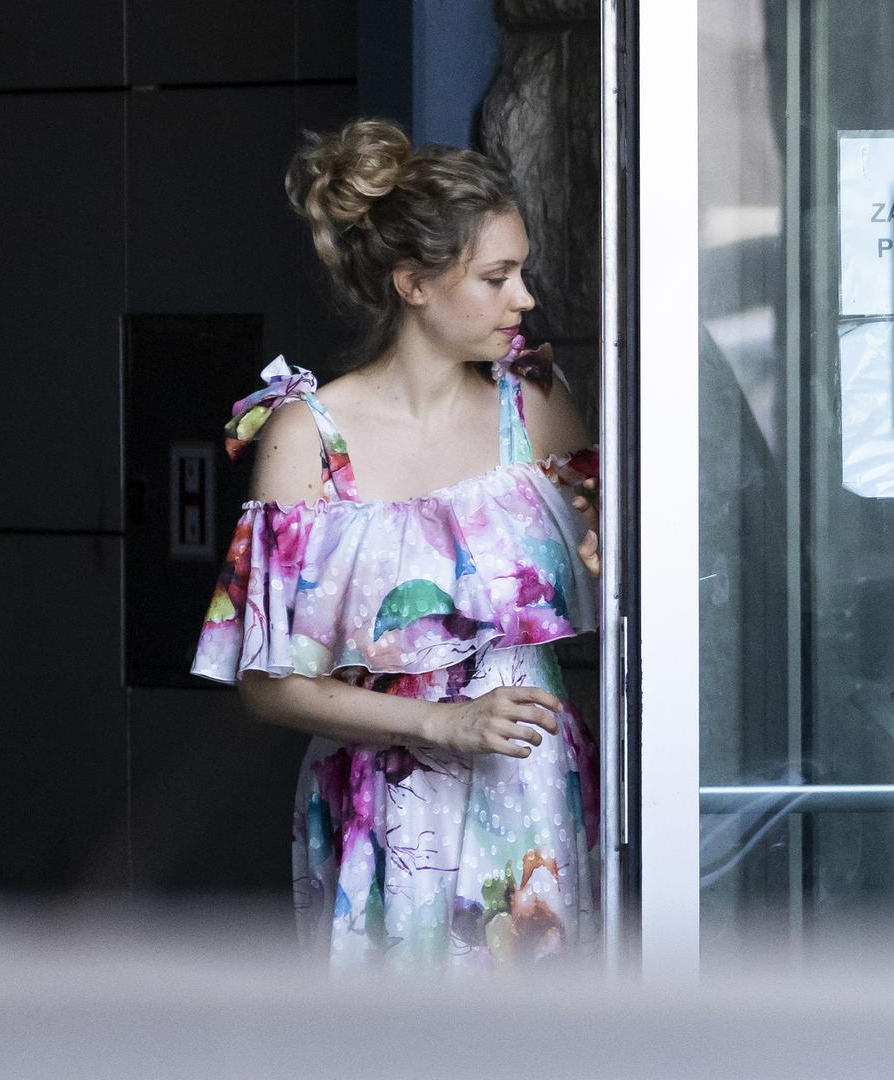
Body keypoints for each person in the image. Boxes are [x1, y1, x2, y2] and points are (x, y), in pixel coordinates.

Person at [190, 118, 603, 970]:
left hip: (533, 793)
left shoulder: (536, 404)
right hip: (385, 809)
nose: (524, 299)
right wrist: (441, 722)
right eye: (496, 277)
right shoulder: (307, 437)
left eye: (519, 272)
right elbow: (267, 687)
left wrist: (610, 553)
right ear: (413, 282)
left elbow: (620, 582)